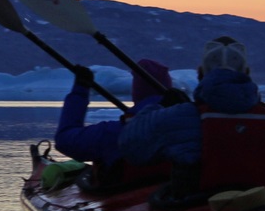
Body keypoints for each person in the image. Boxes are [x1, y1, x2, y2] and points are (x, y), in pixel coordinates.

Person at [115, 36, 265, 206]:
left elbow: (131, 147)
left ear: (200, 74)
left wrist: (160, 106)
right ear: (247, 74)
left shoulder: (177, 117)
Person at [54, 57, 175, 188]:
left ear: (136, 92)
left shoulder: (114, 133)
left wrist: (80, 91)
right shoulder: (187, 125)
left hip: (125, 191)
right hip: (173, 191)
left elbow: (64, 139)